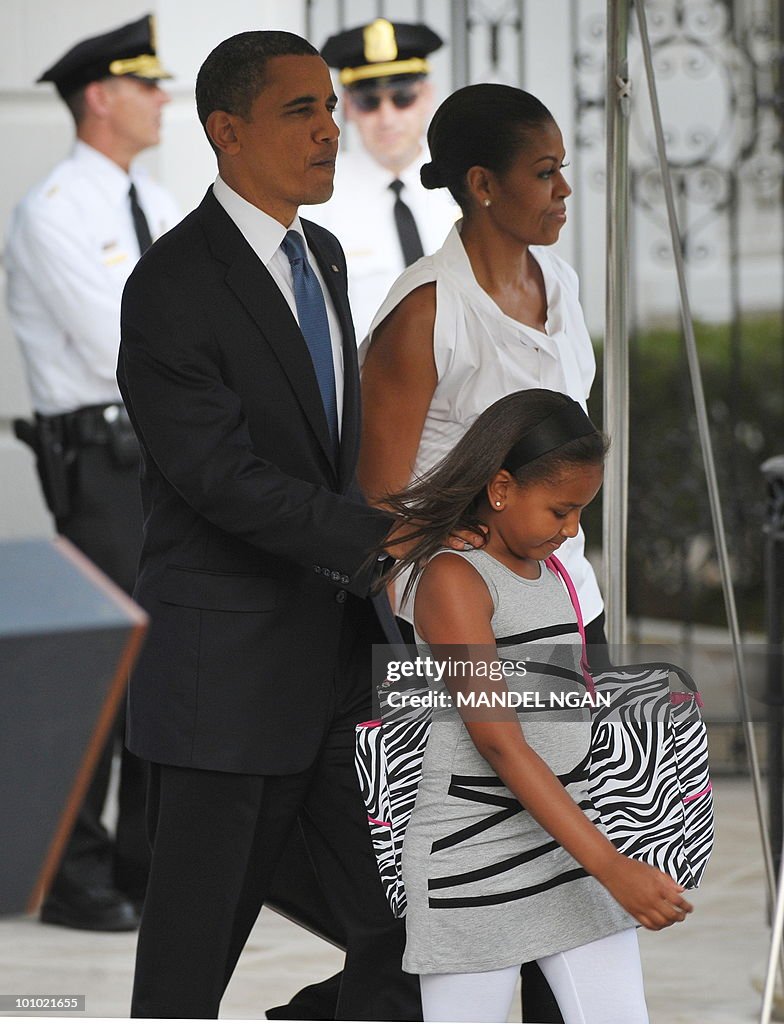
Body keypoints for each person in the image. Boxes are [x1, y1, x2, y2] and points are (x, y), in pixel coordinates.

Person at [116, 30, 482, 1019]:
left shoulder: (318, 251)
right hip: (225, 687)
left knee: (419, 943)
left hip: (333, 673)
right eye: (300, 111)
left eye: (330, 109)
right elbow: (219, 478)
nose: (329, 130)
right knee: (184, 983)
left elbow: (327, 448)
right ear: (225, 132)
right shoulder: (170, 286)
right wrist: (378, 541)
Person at [358, 81, 612, 1022]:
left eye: (562, 171)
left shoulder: (563, 283)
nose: (563, 190)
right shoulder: (426, 311)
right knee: (485, 853)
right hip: (470, 624)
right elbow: (376, 501)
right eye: (543, 173)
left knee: (563, 864)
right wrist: (451, 550)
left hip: (569, 603)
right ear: (481, 184)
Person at [381, 389, 692, 1024]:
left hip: (567, 843)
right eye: (561, 509)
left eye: (581, 511)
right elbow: (500, 742)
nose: (572, 529)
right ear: (499, 490)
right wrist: (611, 865)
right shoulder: (454, 578)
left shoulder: (546, 569)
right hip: (473, 857)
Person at [4, 14, 179, 932]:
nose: (163, 99)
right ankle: (71, 871)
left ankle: (141, 865)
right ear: (100, 97)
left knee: (161, 666)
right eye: (147, 85)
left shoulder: (154, 196)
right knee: (104, 667)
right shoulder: (56, 211)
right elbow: (127, 344)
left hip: (166, 454)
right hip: (105, 457)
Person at [308, 17, 459, 342]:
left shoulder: (465, 184)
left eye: (402, 97)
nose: (387, 118)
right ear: (347, 106)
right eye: (369, 102)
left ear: (427, 96)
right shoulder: (318, 199)